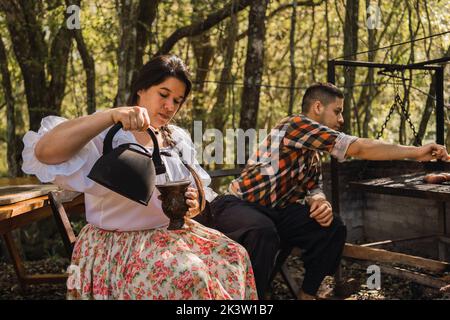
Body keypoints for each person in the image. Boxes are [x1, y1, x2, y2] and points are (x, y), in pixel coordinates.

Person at [21, 55, 257, 300]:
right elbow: (44, 152)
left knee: (234, 256)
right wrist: (112, 115)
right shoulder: (109, 133)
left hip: (173, 237)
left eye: (177, 100)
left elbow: (199, 197)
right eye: (163, 94)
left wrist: (194, 201)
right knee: (191, 277)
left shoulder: (177, 138)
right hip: (119, 246)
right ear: (141, 89)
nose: (169, 106)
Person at [195, 82, 450, 300]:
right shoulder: (295, 125)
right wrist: (416, 152)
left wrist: (321, 202)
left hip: (276, 212)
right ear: (317, 107)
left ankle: (308, 294)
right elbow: (358, 148)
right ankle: (253, 299)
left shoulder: (313, 153)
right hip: (237, 207)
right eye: (337, 111)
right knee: (263, 231)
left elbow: (314, 186)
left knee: (332, 227)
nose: (341, 119)